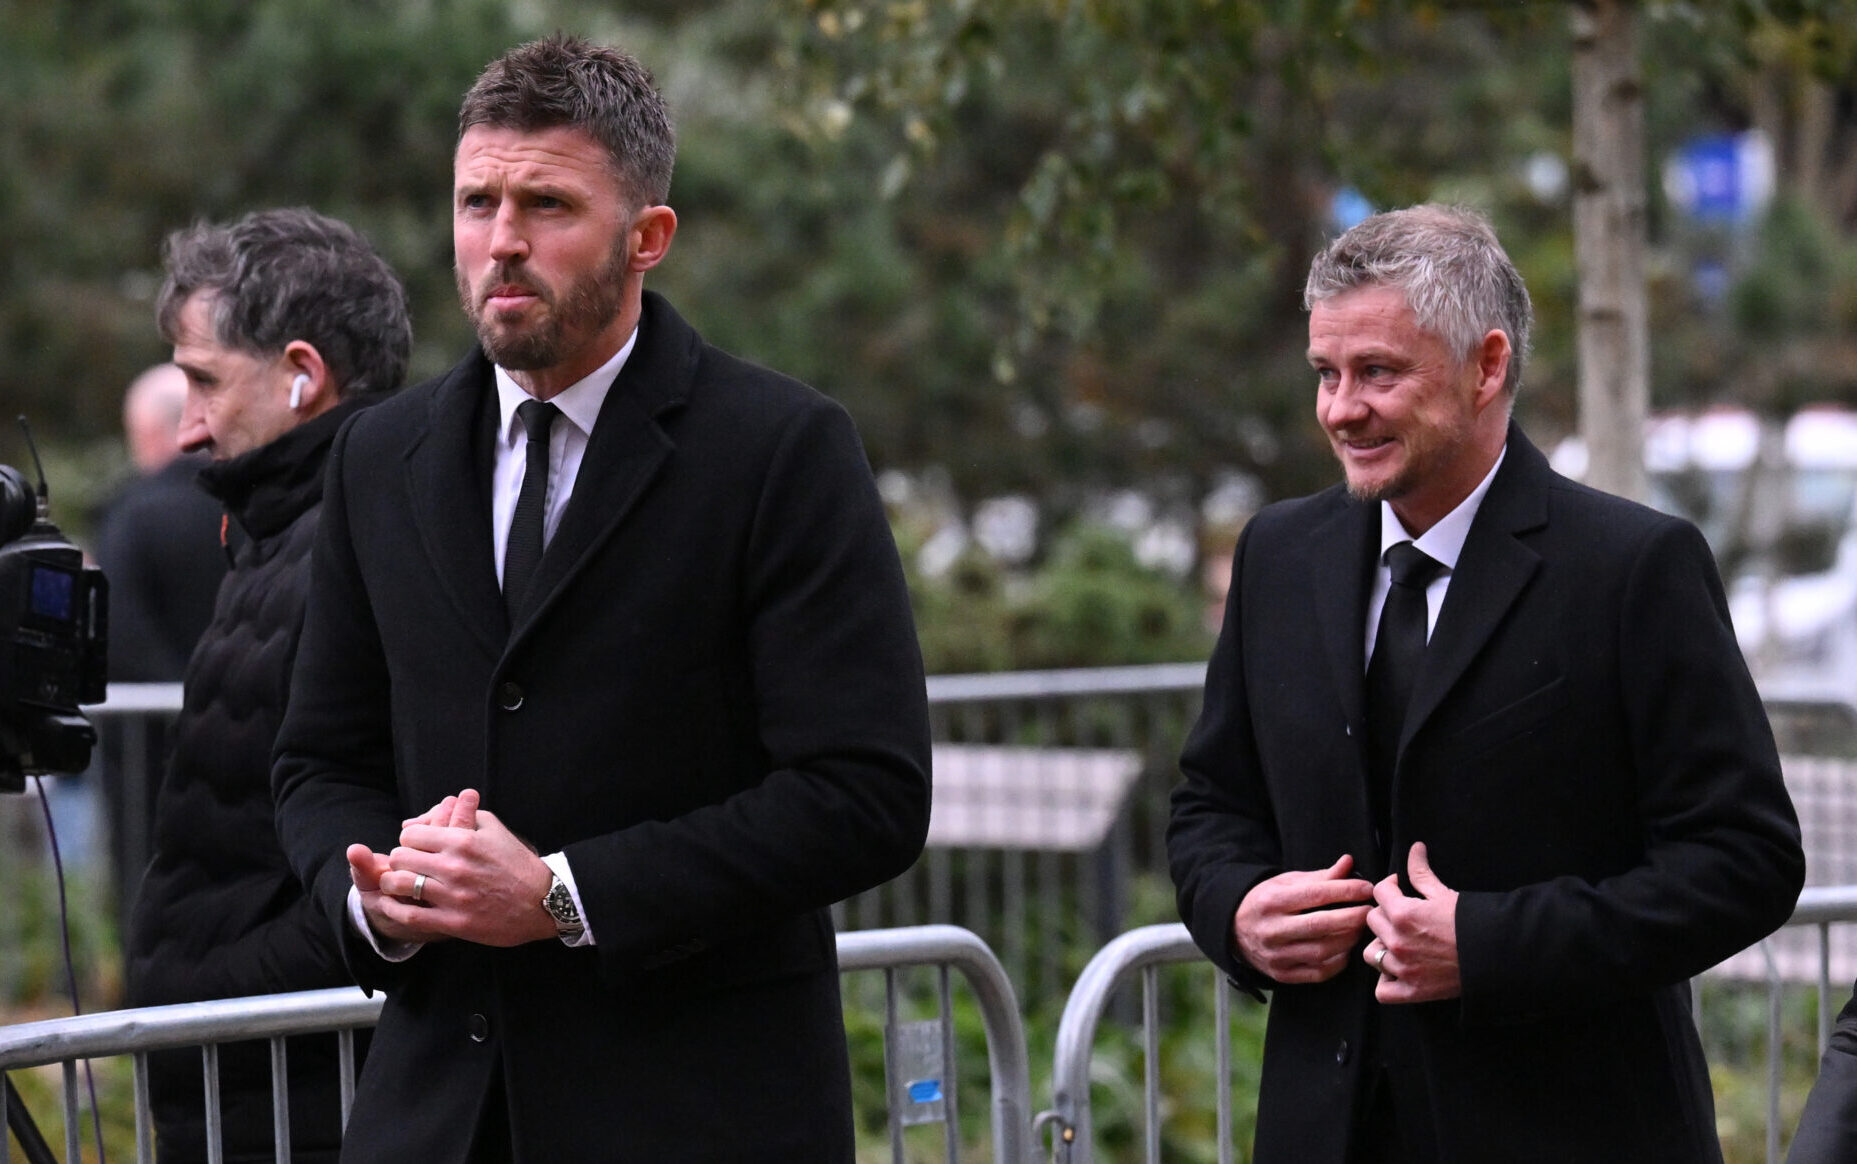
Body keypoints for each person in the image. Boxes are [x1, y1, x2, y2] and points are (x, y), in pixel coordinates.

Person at [270, 35, 931, 1162]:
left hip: (697, 1111)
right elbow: (318, 761)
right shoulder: (380, 457)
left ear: (648, 238)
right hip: (434, 1114)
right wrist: (377, 898)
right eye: (476, 201)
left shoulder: (780, 449)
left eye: (547, 204)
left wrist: (565, 896)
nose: (502, 242)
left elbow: (863, 792)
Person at [1166, 203, 1804, 1164]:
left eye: (1378, 372)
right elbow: (1210, 805)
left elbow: (1744, 861)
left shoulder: (1633, 567)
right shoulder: (1276, 556)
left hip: (1573, 1129)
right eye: (1325, 374)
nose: (1341, 409)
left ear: (1488, 365)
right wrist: (1236, 912)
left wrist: (1492, 944)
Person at [125, 208, 411, 1164]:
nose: (191, 426)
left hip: (294, 1092)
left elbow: (378, 861)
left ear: (304, 373)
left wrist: (209, 997)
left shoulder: (361, 542)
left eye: (204, 381)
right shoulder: (280, 528)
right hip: (248, 1082)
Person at [90, 363, 230, 918]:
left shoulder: (132, 514)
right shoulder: (253, 503)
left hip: (149, 765)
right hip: (257, 758)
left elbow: (117, 637)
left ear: (150, 431)